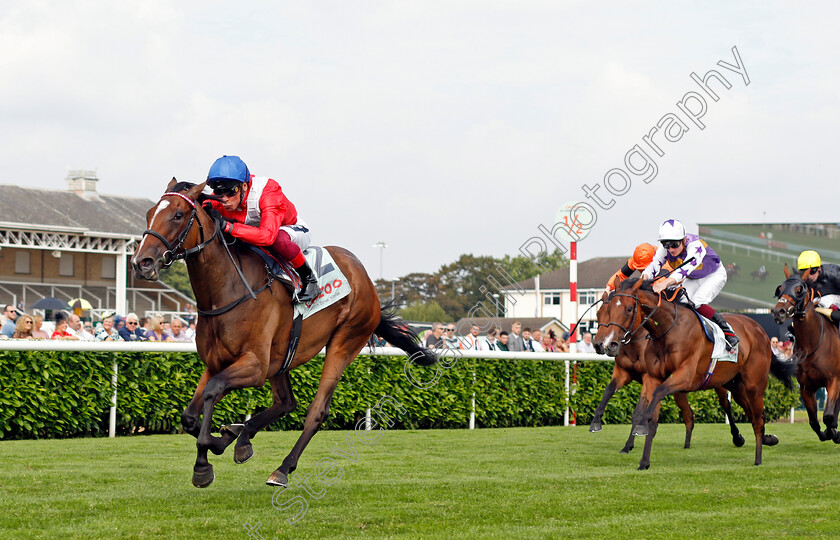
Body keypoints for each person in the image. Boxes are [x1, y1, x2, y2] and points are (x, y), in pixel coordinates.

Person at [202, 155, 320, 303]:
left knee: (278, 240)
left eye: (230, 192)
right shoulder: (228, 190)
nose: (224, 198)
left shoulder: (268, 191)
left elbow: (267, 237)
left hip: (289, 230)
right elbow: (208, 202)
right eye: (220, 193)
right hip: (257, 233)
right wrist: (206, 205)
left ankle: (309, 278)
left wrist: (229, 226)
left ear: (244, 186)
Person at [641, 219, 739, 351]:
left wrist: (664, 283)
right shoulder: (666, 249)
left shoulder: (695, 246)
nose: (670, 249)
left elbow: (684, 270)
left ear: (683, 240)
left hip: (714, 275)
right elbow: (655, 264)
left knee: (697, 302)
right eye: (666, 245)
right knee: (679, 303)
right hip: (693, 277)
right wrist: (644, 278)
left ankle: (728, 332)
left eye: (674, 245)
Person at [798, 250, 840, 324]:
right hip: (822, 306)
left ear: (819, 268)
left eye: (812, 271)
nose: (808, 276)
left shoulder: (834, 273)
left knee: (823, 301)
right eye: (804, 271)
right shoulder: (802, 279)